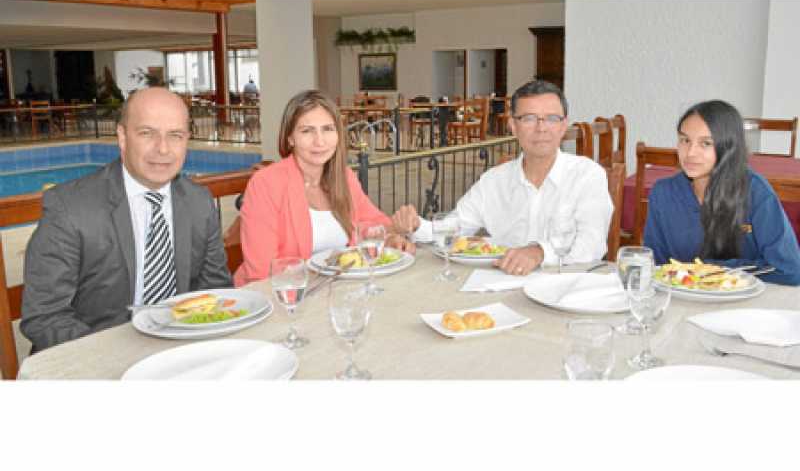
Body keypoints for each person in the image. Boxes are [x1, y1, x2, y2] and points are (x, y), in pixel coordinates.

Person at [21, 87, 233, 353]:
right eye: (147, 133)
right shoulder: (69, 207)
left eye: (175, 136)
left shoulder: (199, 202)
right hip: (92, 360)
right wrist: (118, 359)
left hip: (176, 350)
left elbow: (215, 291)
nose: (163, 149)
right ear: (122, 137)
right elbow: (44, 317)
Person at [392, 79, 613, 275]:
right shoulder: (494, 181)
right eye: (529, 118)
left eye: (552, 118)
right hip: (503, 289)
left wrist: (540, 253)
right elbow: (454, 229)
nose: (541, 128)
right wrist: (414, 225)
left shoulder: (587, 176)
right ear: (512, 126)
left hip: (565, 292)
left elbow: (591, 248)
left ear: (564, 126)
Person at [233, 89, 413, 287]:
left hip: (337, 290)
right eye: (307, 131)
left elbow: (371, 223)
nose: (319, 141)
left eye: (328, 129)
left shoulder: (344, 177)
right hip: (283, 296)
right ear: (290, 138)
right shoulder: (266, 184)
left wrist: (392, 237)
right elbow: (261, 270)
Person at [644, 99, 800, 285]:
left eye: (706, 143)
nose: (691, 152)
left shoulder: (755, 192)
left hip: (743, 305)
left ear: (728, 148)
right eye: (685, 140)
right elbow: (655, 268)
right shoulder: (663, 193)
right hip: (683, 301)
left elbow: (789, 269)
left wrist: (710, 270)